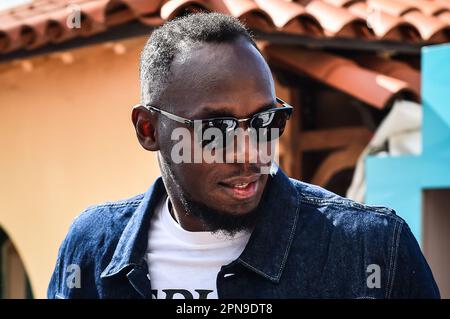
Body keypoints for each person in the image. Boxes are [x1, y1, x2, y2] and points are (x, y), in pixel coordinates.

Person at [47, 12, 439, 299]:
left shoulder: (371, 249)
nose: (250, 150)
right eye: (216, 128)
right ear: (148, 130)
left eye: (265, 120)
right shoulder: (94, 249)